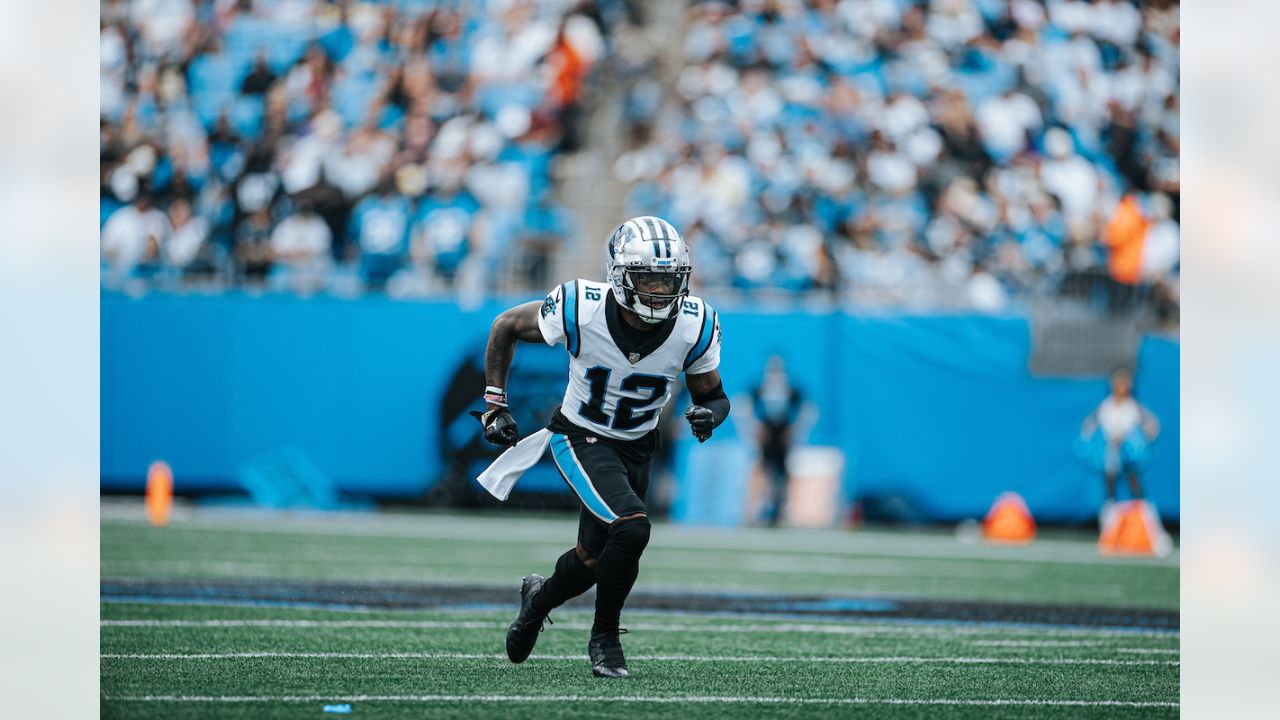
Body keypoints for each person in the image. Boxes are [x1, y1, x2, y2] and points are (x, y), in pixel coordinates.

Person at [473, 216, 728, 678]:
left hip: (637, 447)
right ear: (620, 275)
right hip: (579, 435)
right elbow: (506, 324)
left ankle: (537, 600)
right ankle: (605, 639)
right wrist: (495, 403)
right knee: (632, 529)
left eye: (669, 279)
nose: (659, 290)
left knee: (592, 561)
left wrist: (710, 415)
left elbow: (714, 395)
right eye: (648, 277)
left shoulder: (695, 323)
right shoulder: (580, 306)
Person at [1079, 366, 1160, 515]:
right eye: (1118, 382)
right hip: (1110, 451)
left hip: (1128, 452)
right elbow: (1089, 425)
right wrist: (1092, 439)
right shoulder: (1106, 405)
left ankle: (1143, 515)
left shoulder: (1133, 406)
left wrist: (1139, 439)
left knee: (1133, 480)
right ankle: (1110, 516)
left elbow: (1152, 425)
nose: (1121, 386)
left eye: (1125, 382)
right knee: (1109, 481)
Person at [749, 355, 805, 526]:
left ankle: (781, 507)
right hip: (768, 433)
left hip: (782, 434)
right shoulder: (759, 388)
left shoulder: (791, 389)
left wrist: (794, 429)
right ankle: (766, 505)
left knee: (783, 471)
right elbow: (744, 406)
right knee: (766, 470)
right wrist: (756, 428)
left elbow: (806, 409)